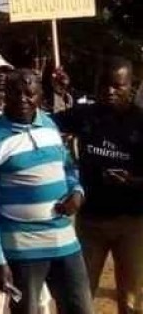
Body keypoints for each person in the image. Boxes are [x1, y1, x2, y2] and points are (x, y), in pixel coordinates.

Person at [0, 69, 93, 314]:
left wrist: (77, 191)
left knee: (81, 308)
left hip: (65, 243)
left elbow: (68, 167)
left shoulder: (50, 125)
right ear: (5, 94)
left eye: (29, 93)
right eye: (15, 93)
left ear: (40, 94)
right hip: (22, 249)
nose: (22, 99)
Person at [52, 57, 143, 313]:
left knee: (131, 299)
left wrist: (133, 181)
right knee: (80, 293)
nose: (109, 91)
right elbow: (44, 123)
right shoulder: (86, 115)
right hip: (90, 221)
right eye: (104, 85)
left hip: (132, 224)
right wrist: (59, 93)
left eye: (117, 86)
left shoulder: (140, 122)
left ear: (131, 86)